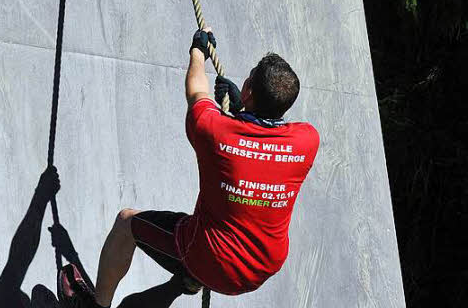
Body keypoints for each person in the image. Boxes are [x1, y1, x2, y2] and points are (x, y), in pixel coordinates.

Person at [60, 32, 320, 307]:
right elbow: (260, 146)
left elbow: (197, 92)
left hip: (210, 257)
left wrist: (198, 51)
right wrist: (243, 109)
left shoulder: (215, 131)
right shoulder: (307, 141)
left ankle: (97, 306)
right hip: (261, 269)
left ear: (248, 89)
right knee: (205, 238)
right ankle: (188, 280)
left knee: (126, 223)